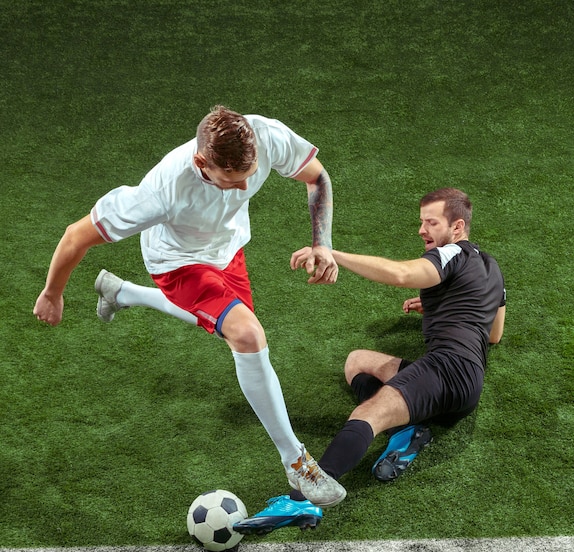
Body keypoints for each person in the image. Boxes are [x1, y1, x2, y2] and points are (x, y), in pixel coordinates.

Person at [33, 105, 346, 509]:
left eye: (248, 178)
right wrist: (52, 292)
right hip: (177, 263)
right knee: (247, 335)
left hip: (228, 249)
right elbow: (76, 236)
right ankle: (297, 462)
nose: (242, 188)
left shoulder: (264, 135)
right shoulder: (162, 191)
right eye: (230, 182)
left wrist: (323, 243)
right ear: (202, 162)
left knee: (234, 333)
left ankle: (122, 292)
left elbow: (316, 176)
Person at [234, 187, 506, 534]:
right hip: (468, 385)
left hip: (445, 370)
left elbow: (401, 275)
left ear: (457, 228)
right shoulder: (492, 267)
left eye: (431, 223)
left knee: (367, 414)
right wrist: (441, 303)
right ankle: (409, 432)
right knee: (358, 361)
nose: (422, 230)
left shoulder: (451, 253)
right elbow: (494, 333)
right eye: (421, 222)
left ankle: (301, 500)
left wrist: (331, 252)